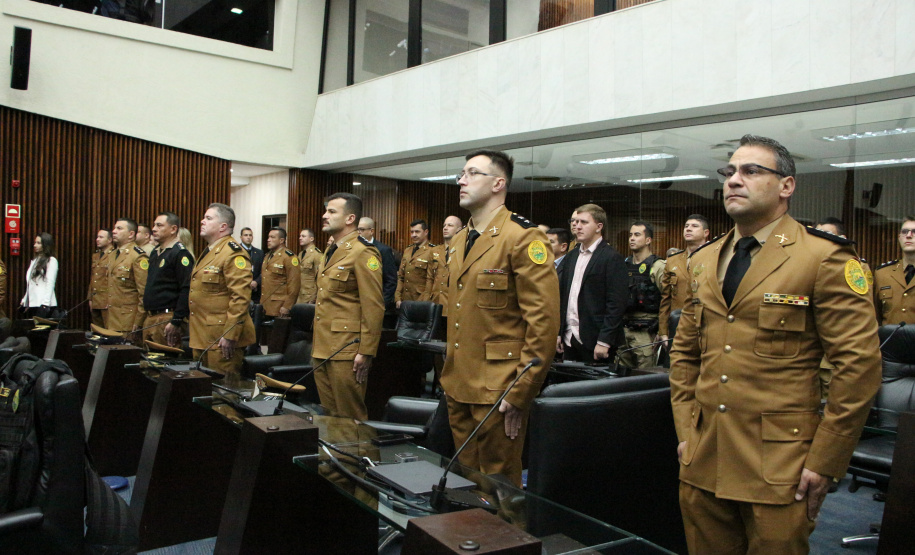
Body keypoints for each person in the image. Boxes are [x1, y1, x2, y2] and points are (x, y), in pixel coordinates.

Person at [670, 134, 881, 554]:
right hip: (704, 454)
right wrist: (684, 431)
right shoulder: (704, 260)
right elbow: (685, 354)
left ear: (786, 186)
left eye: (751, 171)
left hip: (781, 463)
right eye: (729, 171)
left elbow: (857, 369)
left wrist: (825, 460)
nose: (734, 180)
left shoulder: (823, 258)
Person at [443, 149, 559, 487]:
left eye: (472, 173)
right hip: (458, 381)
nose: (462, 181)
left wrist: (521, 392)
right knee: (467, 485)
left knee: (500, 487)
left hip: (500, 386)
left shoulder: (522, 236)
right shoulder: (460, 239)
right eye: (460, 174)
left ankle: (513, 539)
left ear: (498, 183)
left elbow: (543, 322)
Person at [312, 193, 384, 419]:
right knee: (329, 414)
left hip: (347, 349)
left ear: (350, 218)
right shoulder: (332, 249)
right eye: (326, 211)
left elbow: (373, 305)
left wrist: (366, 350)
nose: (325, 216)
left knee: (349, 416)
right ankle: (334, 455)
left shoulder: (363, 252)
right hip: (323, 346)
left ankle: (356, 454)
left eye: (332, 212)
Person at [188, 203, 256, 379]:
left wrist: (230, 334)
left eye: (209, 218)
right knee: (202, 390)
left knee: (222, 395)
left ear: (223, 226)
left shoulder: (233, 253)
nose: (202, 221)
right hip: (203, 335)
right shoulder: (210, 251)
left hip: (222, 339)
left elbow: (240, 298)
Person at [557, 204, 628, 363]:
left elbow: (616, 304)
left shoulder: (611, 257)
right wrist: (559, 332)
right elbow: (563, 297)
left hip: (597, 341)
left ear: (599, 226)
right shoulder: (571, 256)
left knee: (594, 387)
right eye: (574, 221)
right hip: (569, 338)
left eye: (583, 222)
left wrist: (605, 340)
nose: (577, 226)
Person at [142, 212, 194, 346]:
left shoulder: (180, 253)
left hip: (167, 318)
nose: (154, 229)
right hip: (151, 317)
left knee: (164, 362)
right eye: (154, 225)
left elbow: (187, 288)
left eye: (159, 225)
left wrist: (176, 320)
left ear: (173, 229)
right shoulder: (155, 252)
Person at [620, 221, 666, 368]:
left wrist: (662, 330)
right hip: (623, 330)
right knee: (619, 377)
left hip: (646, 332)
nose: (632, 238)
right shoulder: (623, 265)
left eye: (637, 235)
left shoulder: (657, 266)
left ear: (648, 240)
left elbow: (669, 299)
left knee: (645, 378)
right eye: (630, 235)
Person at [659, 214, 710, 345]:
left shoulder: (714, 258)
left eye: (694, 226)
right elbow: (666, 299)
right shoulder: (673, 260)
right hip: (678, 326)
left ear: (706, 233)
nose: (688, 229)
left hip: (706, 326)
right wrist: (663, 331)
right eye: (686, 226)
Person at [107, 219, 149, 335]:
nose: (114, 231)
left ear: (131, 234)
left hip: (128, 321)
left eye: (119, 229)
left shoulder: (137, 256)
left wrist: (139, 321)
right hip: (111, 318)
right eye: (114, 228)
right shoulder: (112, 255)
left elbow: (143, 292)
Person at [873, 216, 915, 325]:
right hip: (890, 340)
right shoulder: (882, 274)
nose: (909, 236)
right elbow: (875, 316)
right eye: (904, 232)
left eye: (914, 232)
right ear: (899, 237)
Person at [260, 227, 301, 318]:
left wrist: (287, 306)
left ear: (281, 240)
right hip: (265, 305)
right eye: (268, 237)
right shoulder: (267, 256)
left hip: (279, 306)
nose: (268, 240)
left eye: (272, 237)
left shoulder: (289, 257)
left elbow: (294, 285)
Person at [357, 218, 397, 309]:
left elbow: (390, 280)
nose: (359, 232)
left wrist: (383, 303)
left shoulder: (383, 250)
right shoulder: (353, 249)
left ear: (371, 231)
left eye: (362, 230)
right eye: (357, 229)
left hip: (376, 302)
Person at [395, 219, 434, 307]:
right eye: (412, 232)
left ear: (426, 232)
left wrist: (423, 302)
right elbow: (401, 277)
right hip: (404, 301)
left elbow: (430, 281)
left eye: (417, 232)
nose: (413, 235)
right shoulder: (407, 250)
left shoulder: (432, 251)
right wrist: (397, 298)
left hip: (420, 302)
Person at [20, 232, 58, 318]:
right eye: (35, 242)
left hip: (43, 303)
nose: (35, 245)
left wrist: (45, 304)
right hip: (33, 303)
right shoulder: (35, 260)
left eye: (38, 243)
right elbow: (30, 283)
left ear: (45, 244)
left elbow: (50, 283)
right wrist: (24, 300)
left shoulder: (51, 260)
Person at [428, 215, 462, 308]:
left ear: (459, 230)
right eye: (444, 225)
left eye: (450, 225)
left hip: (453, 303)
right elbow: (429, 279)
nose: (445, 228)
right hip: (435, 302)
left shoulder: (463, 251)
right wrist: (426, 301)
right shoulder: (435, 251)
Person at [88, 228, 115, 327]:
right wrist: (90, 298)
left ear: (109, 240)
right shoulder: (96, 256)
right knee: (97, 330)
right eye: (97, 237)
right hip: (96, 299)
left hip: (106, 300)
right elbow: (93, 277)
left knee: (107, 329)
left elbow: (112, 280)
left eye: (101, 237)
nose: (97, 239)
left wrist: (111, 300)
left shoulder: (114, 255)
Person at [297, 228, 323, 304]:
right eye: (300, 236)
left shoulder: (317, 255)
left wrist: (315, 297)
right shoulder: (301, 254)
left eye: (303, 236)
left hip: (309, 295)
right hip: (300, 294)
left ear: (311, 239)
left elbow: (319, 277)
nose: (300, 238)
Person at [239, 227, 264, 304]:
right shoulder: (236, 251)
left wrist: (257, 282)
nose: (248, 237)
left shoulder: (259, 253)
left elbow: (264, 270)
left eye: (250, 235)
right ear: (241, 237)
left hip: (255, 291)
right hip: (240, 289)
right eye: (246, 235)